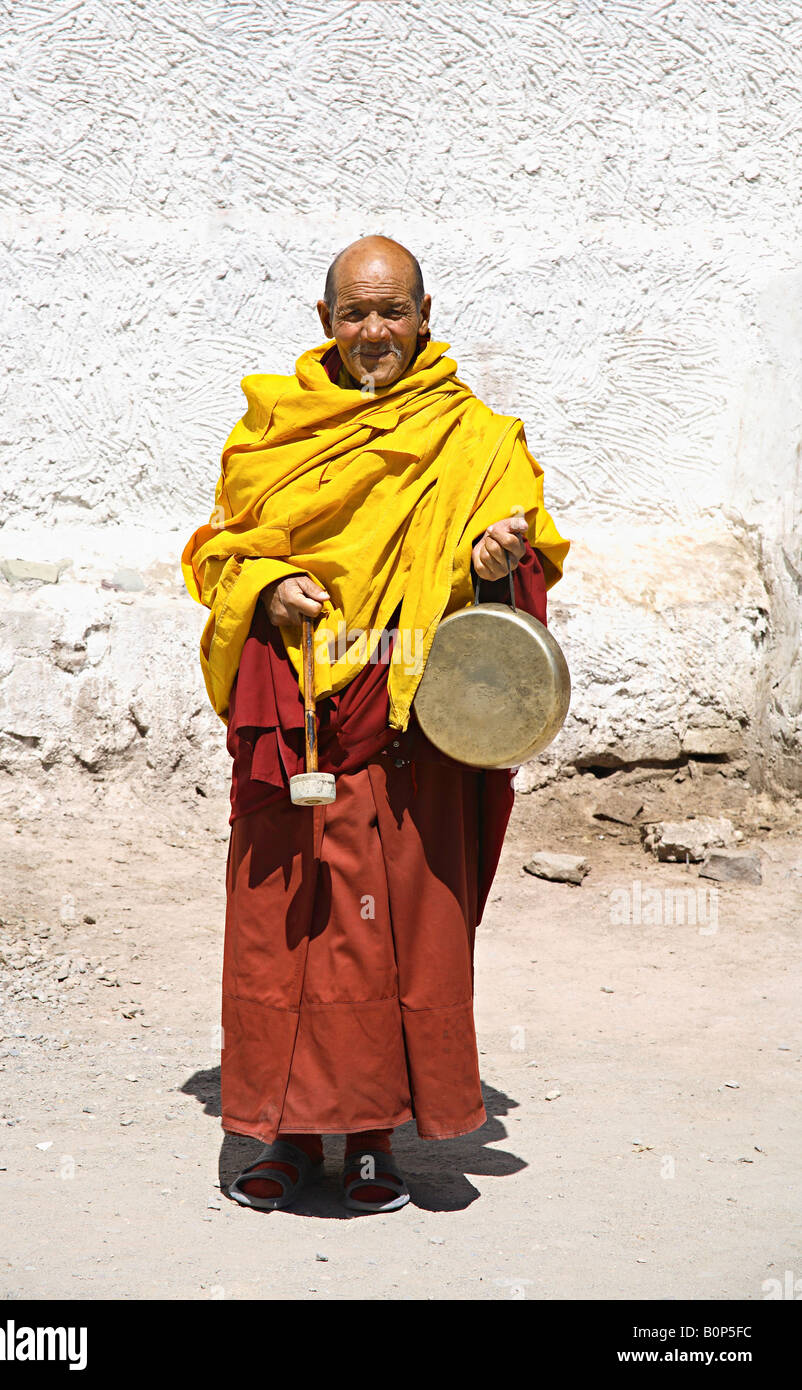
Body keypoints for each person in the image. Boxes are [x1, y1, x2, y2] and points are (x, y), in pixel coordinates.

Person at [182, 235, 569, 1212]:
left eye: (390, 311)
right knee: (290, 923)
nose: (373, 332)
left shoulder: (475, 435)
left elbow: (521, 553)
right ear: (324, 322)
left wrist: (494, 558)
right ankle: (279, 1130)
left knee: (391, 928)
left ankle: (368, 1140)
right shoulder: (275, 430)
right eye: (354, 313)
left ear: (424, 313)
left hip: (405, 728)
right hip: (300, 716)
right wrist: (268, 585)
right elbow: (219, 554)